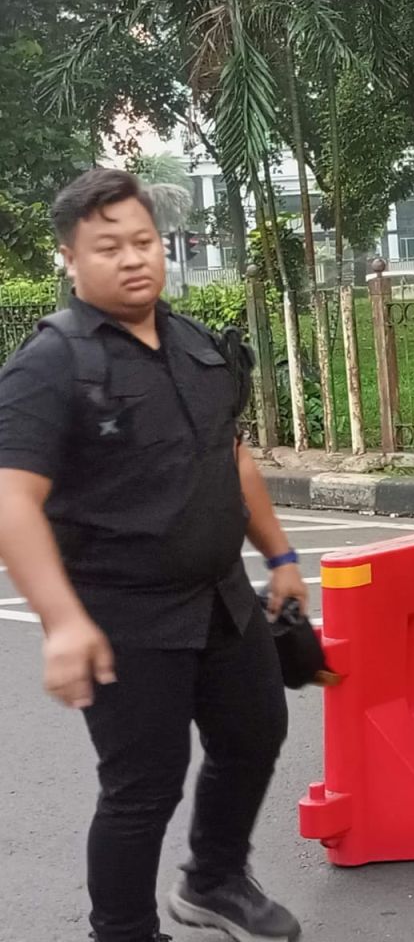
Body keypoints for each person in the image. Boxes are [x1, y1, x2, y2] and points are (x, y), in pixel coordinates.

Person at [0, 168, 305, 942]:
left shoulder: (196, 343)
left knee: (255, 736)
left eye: (144, 241)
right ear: (69, 257)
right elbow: (13, 500)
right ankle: (124, 931)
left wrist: (281, 556)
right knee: (142, 789)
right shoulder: (50, 363)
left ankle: (214, 880)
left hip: (223, 597)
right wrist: (64, 622)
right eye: (109, 247)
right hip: (124, 613)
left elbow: (232, 457)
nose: (134, 258)